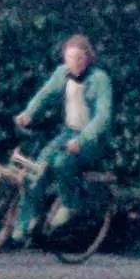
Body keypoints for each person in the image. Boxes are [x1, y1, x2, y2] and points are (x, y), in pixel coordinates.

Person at [14, 32, 116, 238]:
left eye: (79, 58)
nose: (74, 63)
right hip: (68, 131)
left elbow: (103, 116)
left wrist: (82, 140)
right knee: (38, 167)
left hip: (91, 140)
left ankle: (71, 205)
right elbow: (45, 94)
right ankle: (24, 224)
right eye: (69, 58)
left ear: (88, 58)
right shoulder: (62, 73)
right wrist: (29, 113)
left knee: (62, 163)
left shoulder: (99, 79)